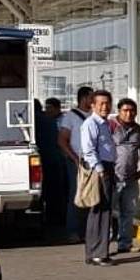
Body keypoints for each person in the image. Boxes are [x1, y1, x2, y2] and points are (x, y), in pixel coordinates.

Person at [79, 90, 117, 266]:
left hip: (107, 167)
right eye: (101, 103)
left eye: (107, 103)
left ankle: (98, 251)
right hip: (99, 169)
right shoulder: (91, 123)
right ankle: (97, 253)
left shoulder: (105, 123)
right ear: (92, 105)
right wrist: (101, 170)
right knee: (100, 211)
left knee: (104, 210)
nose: (105, 106)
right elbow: (89, 150)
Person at [110, 98, 140, 254]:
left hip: (131, 178)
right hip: (113, 178)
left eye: (132, 110)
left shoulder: (138, 129)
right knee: (108, 211)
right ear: (119, 111)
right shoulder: (110, 126)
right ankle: (104, 244)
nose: (129, 113)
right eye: (125, 110)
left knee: (128, 212)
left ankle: (125, 243)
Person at [58, 86, 94, 244]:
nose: (93, 101)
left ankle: (88, 231)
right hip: (77, 162)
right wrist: (73, 158)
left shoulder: (94, 116)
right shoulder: (70, 117)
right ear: (84, 98)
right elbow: (62, 140)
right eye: (91, 97)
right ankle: (73, 231)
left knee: (92, 196)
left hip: (93, 161)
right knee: (76, 195)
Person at [35, 98, 68, 234]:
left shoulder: (41, 120)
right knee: (56, 192)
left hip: (51, 160)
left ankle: (53, 218)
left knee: (52, 191)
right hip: (55, 160)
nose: (47, 110)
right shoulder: (49, 121)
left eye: (49, 107)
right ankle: (56, 218)